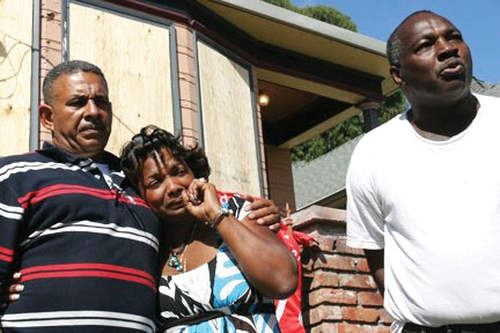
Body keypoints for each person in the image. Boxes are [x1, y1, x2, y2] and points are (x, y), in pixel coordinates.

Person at [0, 60, 282, 332]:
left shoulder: (137, 184)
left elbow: (189, 199)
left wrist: (253, 212)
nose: (93, 111)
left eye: (102, 102)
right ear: (48, 116)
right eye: (77, 103)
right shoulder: (15, 175)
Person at [346, 10, 500, 333]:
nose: (448, 49)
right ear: (398, 75)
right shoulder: (374, 153)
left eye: (454, 37)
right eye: (426, 44)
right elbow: (377, 254)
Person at [119, 125, 298, 332]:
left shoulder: (236, 213)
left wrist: (217, 217)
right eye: (156, 182)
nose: (173, 187)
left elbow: (283, 282)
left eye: (179, 172)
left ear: (195, 172)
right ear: (140, 195)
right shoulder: (146, 247)